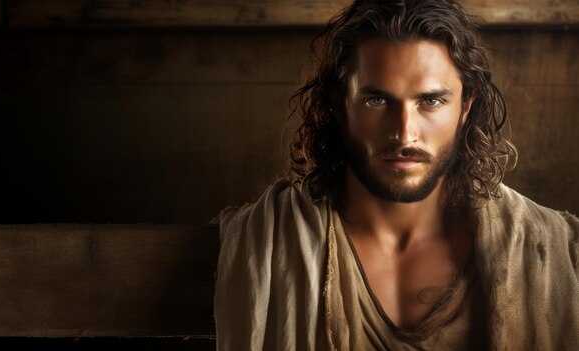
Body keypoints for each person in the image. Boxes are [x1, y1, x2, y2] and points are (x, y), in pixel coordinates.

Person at [213, 0, 579, 350]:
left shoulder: (553, 251)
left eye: (431, 101)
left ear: (466, 107)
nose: (404, 134)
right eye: (377, 100)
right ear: (338, 106)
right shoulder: (265, 240)